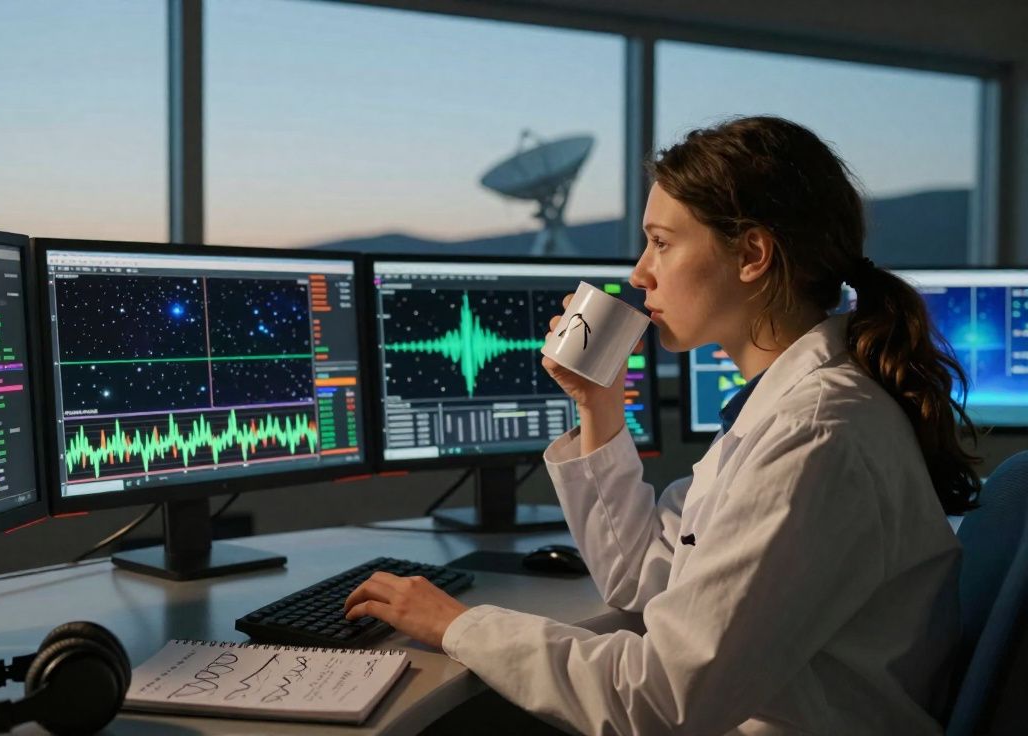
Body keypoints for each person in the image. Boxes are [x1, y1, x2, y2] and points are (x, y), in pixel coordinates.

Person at [344, 115, 981, 735]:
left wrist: (460, 625)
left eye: (662, 242)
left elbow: (660, 701)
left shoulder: (815, 434)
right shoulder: (782, 411)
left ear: (753, 253)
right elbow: (643, 576)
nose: (638, 274)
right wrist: (597, 404)